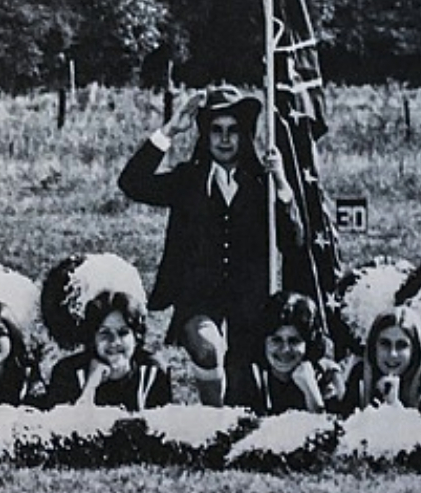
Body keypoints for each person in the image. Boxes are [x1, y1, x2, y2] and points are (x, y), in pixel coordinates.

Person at [117, 85, 302, 406]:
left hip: (251, 300)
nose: (225, 139)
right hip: (198, 297)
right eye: (216, 130)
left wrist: (283, 185)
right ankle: (211, 422)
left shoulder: (262, 182)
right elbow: (132, 183)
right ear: (205, 135)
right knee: (208, 348)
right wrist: (170, 129)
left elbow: (293, 240)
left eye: (233, 131)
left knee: (242, 385)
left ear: (246, 135)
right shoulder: (189, 180)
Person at [47, 291, 171, 411]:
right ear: (92, 338)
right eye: (105, 333)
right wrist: (90, 386)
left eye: (123, 332)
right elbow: (62, 427)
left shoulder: (152, 373)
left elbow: (161, 428)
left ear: (136, 337)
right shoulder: (68, 373)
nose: (115, 342)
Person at [226, 291, 339, 415]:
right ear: (263, 341)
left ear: (309, 343)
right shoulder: (247, 375)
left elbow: (328, 431)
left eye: (294, 341)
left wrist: (310, 390)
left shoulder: (327, 375)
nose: (285, 350)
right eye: (276, 340)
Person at [335, 307, 421, 420]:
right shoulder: (361, 373)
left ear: (415, 350)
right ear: (374, 346)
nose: (393, 354)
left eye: (401, 345)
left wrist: (394, 408)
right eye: (385, 344)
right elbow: (348, 426)